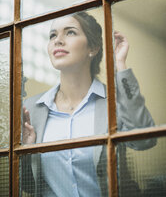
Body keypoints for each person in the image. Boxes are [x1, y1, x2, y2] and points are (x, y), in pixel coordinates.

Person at [22, 11, 156, 197]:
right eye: (53, 35)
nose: (57, 40)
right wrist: (27, 150)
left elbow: (145, 141)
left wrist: (120, 65)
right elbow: (27, 184)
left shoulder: (115, 102)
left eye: (70, 32)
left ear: (92, 48)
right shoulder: (31, 108)